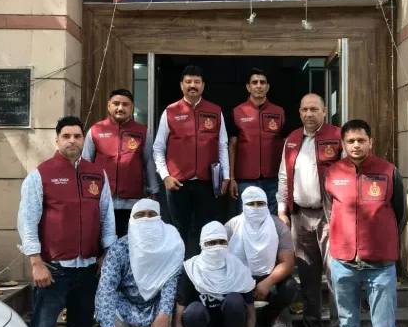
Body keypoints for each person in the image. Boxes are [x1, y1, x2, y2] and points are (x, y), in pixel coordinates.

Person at [17, 116, 117, 327]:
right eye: (66, 136)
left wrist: (106, 254)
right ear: (57, 140)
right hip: (53, 270)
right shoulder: (41, 175)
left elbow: (106, 217)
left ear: (83, 140)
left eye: (77, 136)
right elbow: (27, 220)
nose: (72, 140)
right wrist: (36, 263)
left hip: (88, 269)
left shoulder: (97, 174)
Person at [323, 119, 407, 327]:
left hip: (380, 264)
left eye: (361, 140)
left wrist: (382, 239)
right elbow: (330, 212)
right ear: (343, 144)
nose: (356, 145)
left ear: (371, 142)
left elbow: (400, 215)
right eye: (350, 141)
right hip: (343, 263)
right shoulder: (332, 173)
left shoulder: (389, 171)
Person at [276, 93, 341, 327]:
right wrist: (282, 210)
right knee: (307, 276)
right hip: (299, 217)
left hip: (330, 217)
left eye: (314, 109)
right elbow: (284, 176)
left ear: (324, 111)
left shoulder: (337, 136)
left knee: (336, 274)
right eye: (304, 110)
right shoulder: (293, 139)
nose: (309, 114)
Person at [153, 65, 230, 257]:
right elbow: (158, 147)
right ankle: (178, 271)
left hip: (207, 182)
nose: (192, 85)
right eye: (188, 82)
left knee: (206, 229)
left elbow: (222, 145)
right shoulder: (170, 111)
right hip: (178, 183)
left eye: (196, 82)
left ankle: (203, 270)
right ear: (181, 85)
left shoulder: (215, 111)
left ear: (203, 85)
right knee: (178, 230)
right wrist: (165, 176)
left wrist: (226, 176)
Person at [95, 198, 184, 327]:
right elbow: (106, 287)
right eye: (140, 215)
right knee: (110, 318)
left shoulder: (170, 246)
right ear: (132, 220)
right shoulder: (120, 248)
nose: (146, 219)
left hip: (156, 307)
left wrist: (163, 315)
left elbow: (170, 284)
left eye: (151, 215)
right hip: (124, 305)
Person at [83, 88, 159, 238]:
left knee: (129, 244)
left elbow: (149, 162)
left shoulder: (143, 132)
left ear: (131, 107)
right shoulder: (95, 131)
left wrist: (153, 191)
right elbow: (85, 165)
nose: (120, 108)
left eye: (125, 104)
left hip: (132, 203)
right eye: (116, 103)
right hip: (102, 201)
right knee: (102, 244)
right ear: (108, 105)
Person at [226, 187, 297, 327]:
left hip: (268, 275)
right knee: (232, 301)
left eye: (260, 203)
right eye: (251, 204)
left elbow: (288, 263)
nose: (256, 208)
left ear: (266, 204)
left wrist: (268, 282)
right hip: (239, 278)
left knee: (289, 286)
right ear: (243, 205)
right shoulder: (231, 226)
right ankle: (242, 318)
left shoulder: (278, 226)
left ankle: (270, 316)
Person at [174, 221, 256, 327]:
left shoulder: (237, 268)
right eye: (211, 243)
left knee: (234, 300)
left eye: (222, 242)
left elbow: (251, 313)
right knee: (194, 310)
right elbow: (178, 318)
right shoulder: (191, 269)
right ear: (202, 244)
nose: (217, 247)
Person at [227, 68, 287, 216]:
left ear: (268, 86)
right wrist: (231, 178)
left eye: (262, 82)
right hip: (245, 180)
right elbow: (232, 146)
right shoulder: (237, 112)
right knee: (246, 221)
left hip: (273, 179)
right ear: (248, 87)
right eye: (254, 82)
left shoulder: (279, 112)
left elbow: (287, 146)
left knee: (272, 221)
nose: (259, 86)